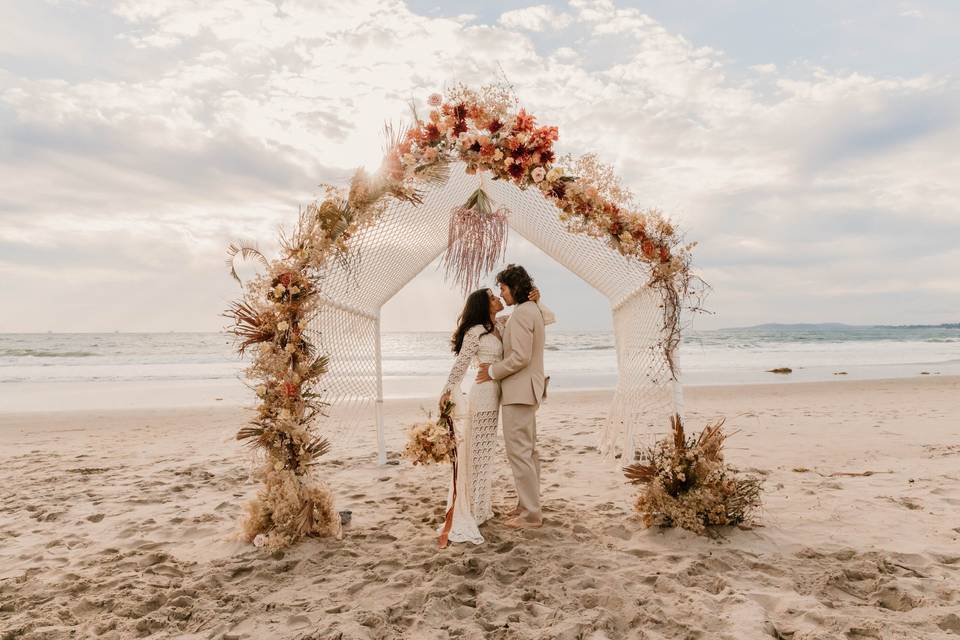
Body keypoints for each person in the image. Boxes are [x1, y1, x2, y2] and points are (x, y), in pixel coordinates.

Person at [439, 281, 554, 544]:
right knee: (476, 454)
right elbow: (461, 364)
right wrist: (447, 390)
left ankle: (481, 505)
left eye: (498, 293)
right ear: (483, 304)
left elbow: (544, 319)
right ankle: (472, 508)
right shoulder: (476, 332)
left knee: (485, 453)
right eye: (492, 297)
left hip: (499, 396)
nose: (498, 298)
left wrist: (537, 299)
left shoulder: (501, 324)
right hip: (482, 397)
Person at [476, 264, 549, 529]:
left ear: (515, 288)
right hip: (528, 390)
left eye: (504, 289)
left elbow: (520, 357)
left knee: (519, 454)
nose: (502, 294)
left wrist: (492, 371)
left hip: (518, 392)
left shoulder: (521, 314)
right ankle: (526, 505)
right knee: (528, 453)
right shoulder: (531, 310)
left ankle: (530, 515)